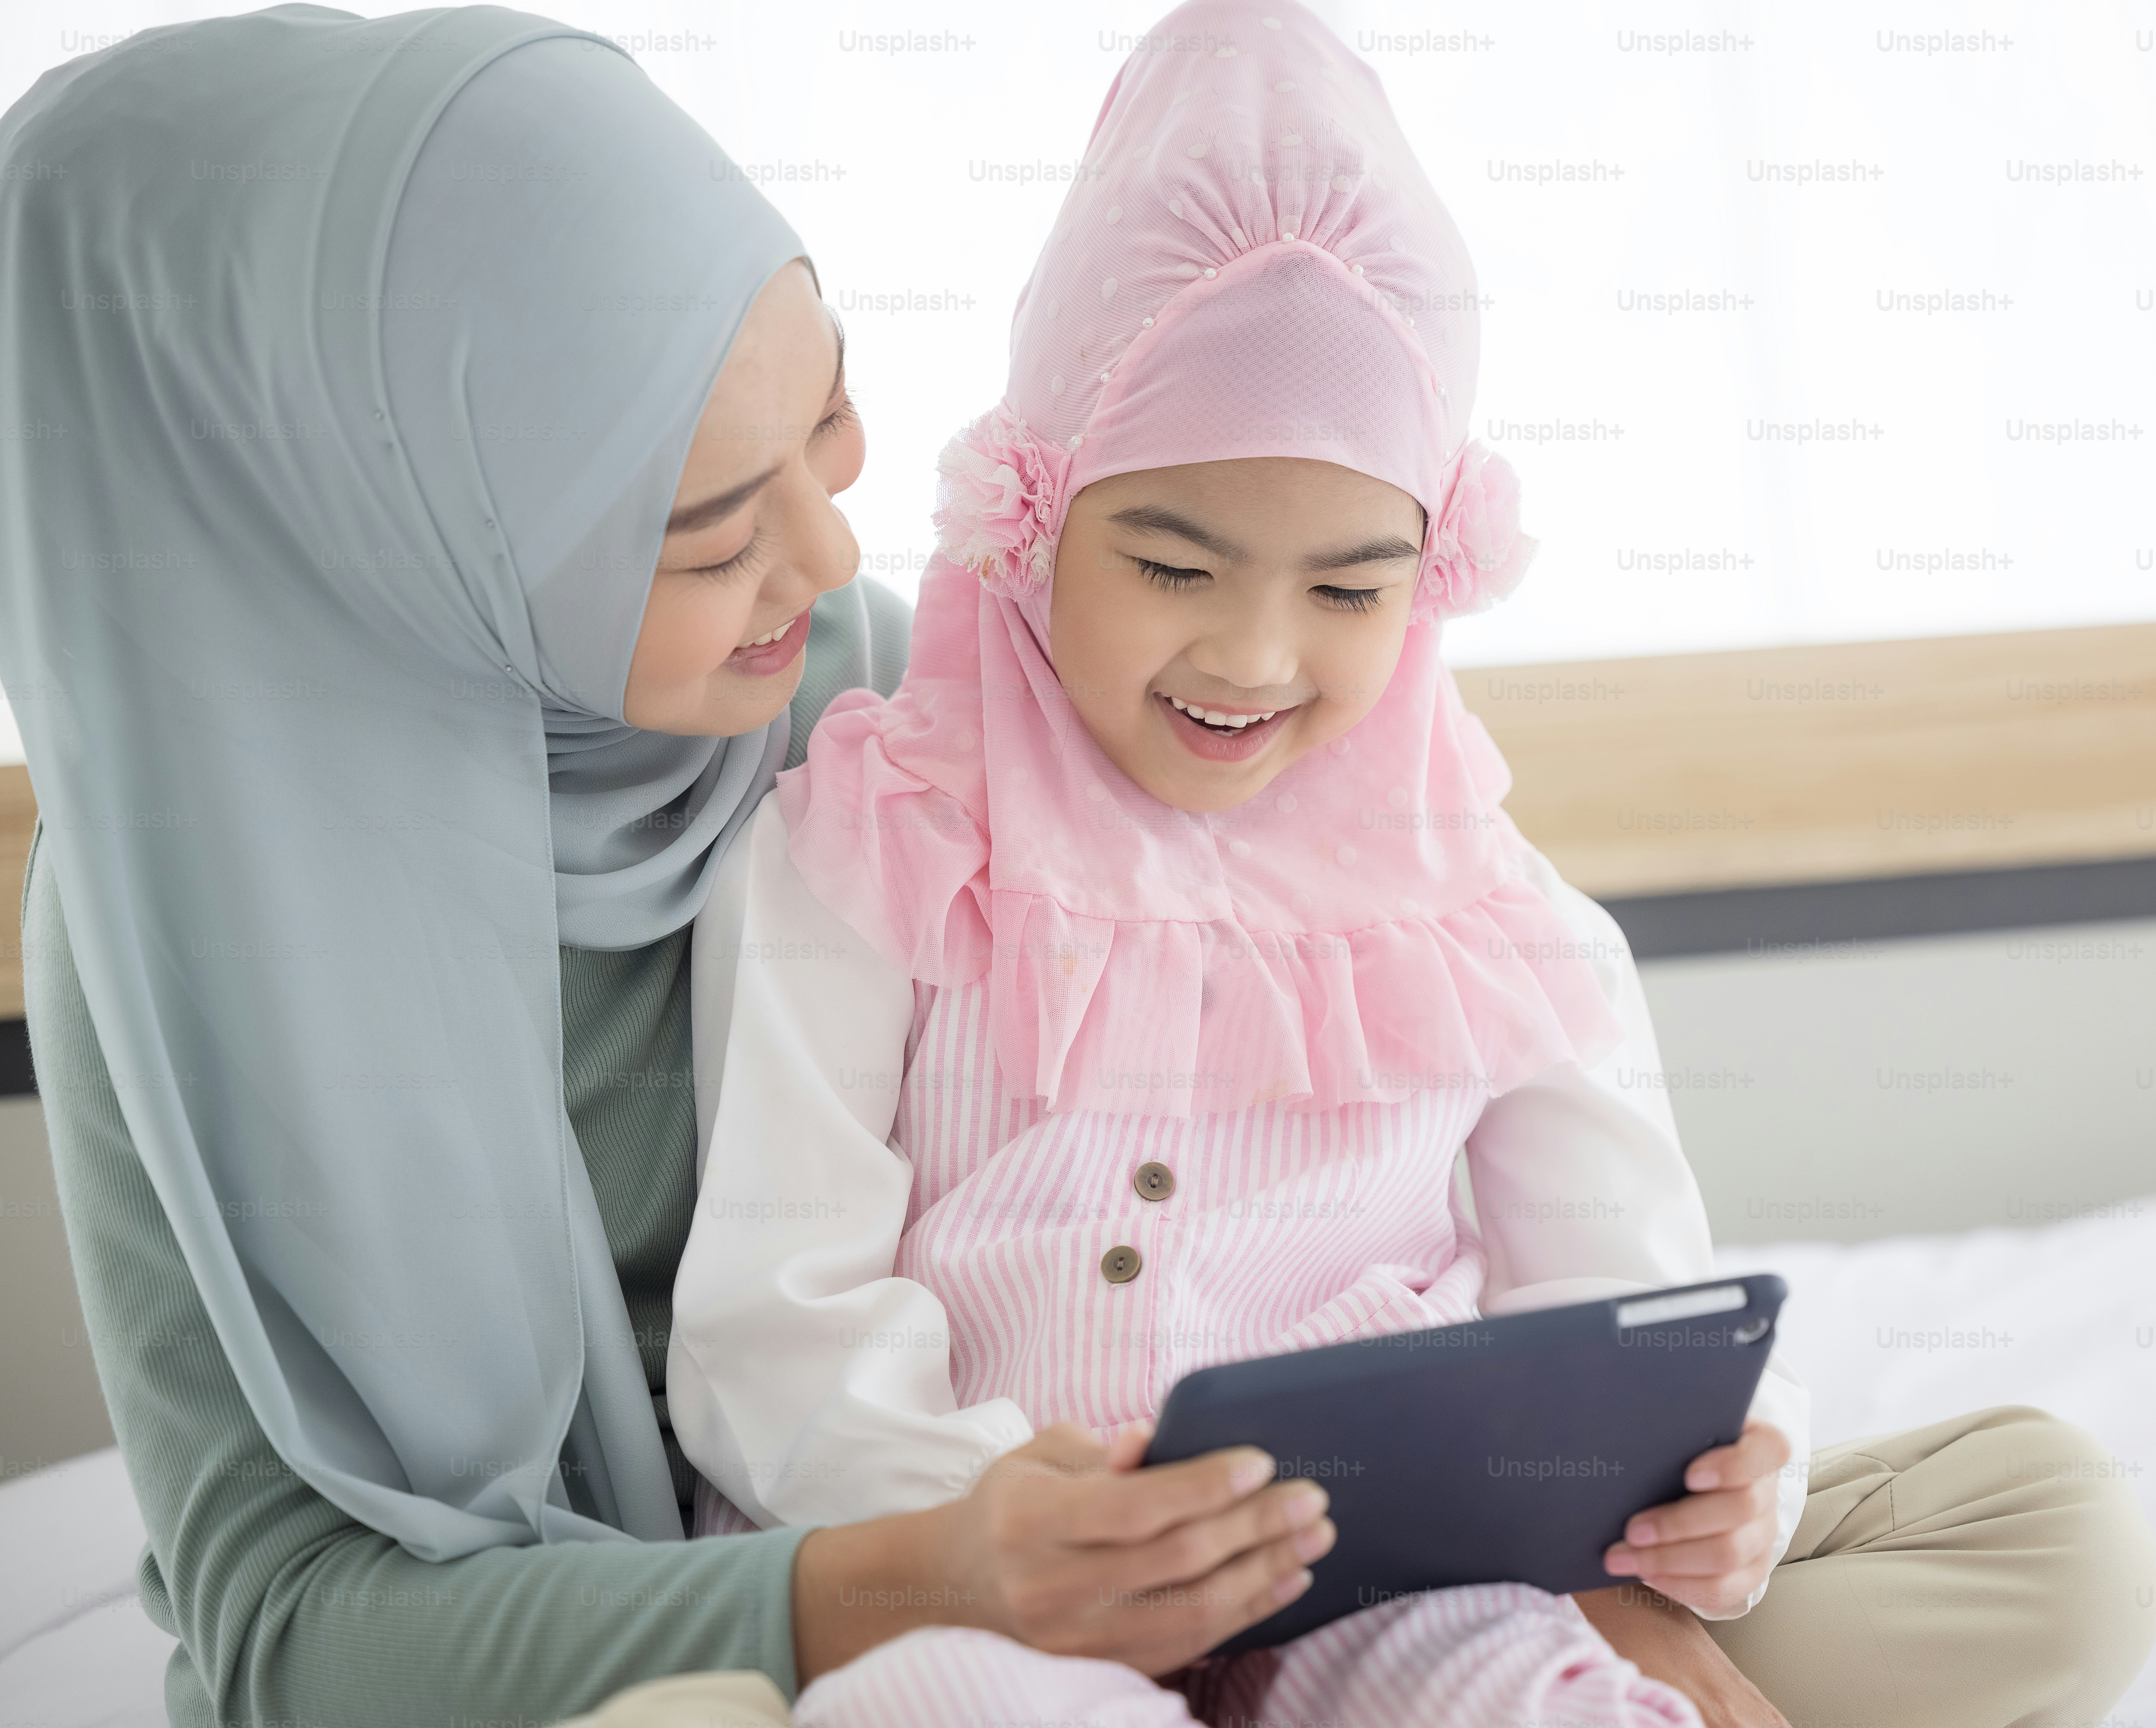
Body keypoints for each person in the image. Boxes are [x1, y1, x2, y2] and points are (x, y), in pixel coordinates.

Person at [666, 5, 2156, 1726]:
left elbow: (1631, 1316)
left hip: (1392, 1582)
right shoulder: (872, 840)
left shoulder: (1497, 917)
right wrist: (1007, 1527)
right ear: (1036, 508)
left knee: (1542, 1695)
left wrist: (1733, 1479)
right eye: (1170, 561)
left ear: (1433, 571)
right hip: (988, 1579)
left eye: (1349, 587)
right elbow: (771, 1321)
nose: (1250, 652)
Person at [2, 10, 1334, 1725]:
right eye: (707, 530)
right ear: (416, 541)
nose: (832, 551)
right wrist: (917, 1575)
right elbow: (293, 1627)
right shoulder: (178, 945)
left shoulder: (869, 698)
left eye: (834, 421)